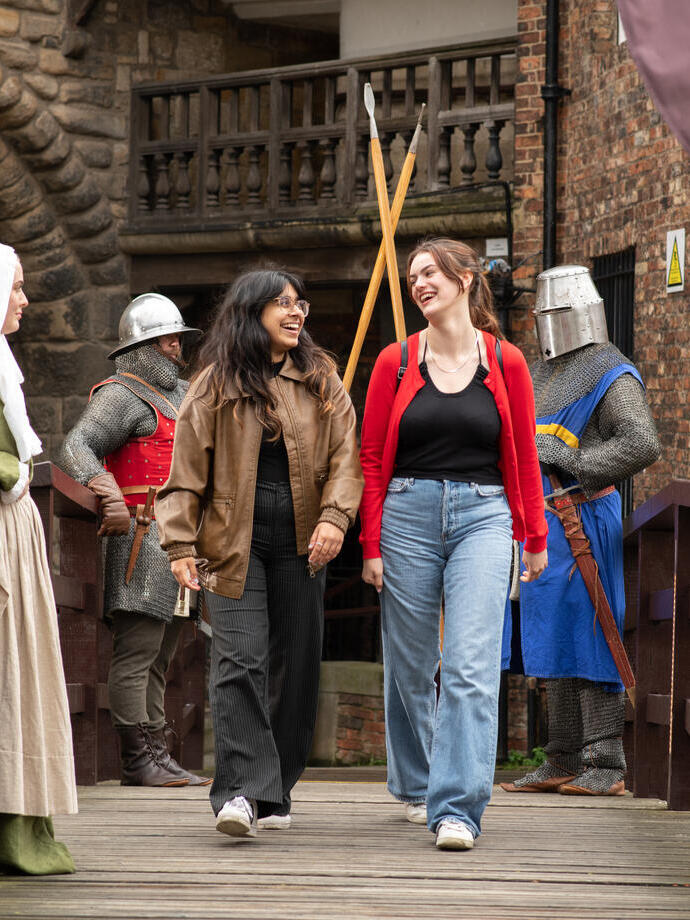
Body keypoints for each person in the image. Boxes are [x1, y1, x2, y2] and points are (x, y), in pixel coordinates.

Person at [156, 269, 363, 839]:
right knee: (239, 661)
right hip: (232, 537)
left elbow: (348, 459)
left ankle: (276, 786)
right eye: (282, 305)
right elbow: (185, 475)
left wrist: (334, 518)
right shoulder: (214, 383)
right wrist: (179, 544)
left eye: (300, 304)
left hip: (306, 537)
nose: (296, 314)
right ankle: (241, 792)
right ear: (252, 313)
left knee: (297, 666)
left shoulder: (322, 378)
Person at [359, 238, 548, 851]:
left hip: (484, 516)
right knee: (411, 665)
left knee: (470, 666)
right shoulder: (395, 361)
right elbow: (370, 460)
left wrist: (534, 535)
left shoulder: (506, 361)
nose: (418, 283)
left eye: (430, 272)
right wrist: (370, 542)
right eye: (413, 276)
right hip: (406, 515)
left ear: (465, 279)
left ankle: (458, 808)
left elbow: (522, 453)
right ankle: (416, 783)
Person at [500, 265, 661, 797]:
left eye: (556, 312)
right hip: (541, 522)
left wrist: (571, 457)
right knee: (552, 639)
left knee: (593, 633)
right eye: (542, 314)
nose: (549, 322)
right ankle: (562, 756)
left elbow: (641, 443)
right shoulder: (538, 374)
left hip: (585, 516)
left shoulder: (610, 369)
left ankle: (607, 761)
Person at [57, 294, 210, 788]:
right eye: (165, 340)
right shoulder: (121, 394)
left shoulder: (183, 395)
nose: (175, 348)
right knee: (137, 650)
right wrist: (107, 492)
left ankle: (157, 753)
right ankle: (135, 759)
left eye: (177, 339)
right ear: (140, 346)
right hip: (142, 537)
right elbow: (78, 446)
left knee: (163, 652)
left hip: (179, 540)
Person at [0, 243, 78, 875]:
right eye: (17, 287)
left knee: (17, 674)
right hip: (2, 523)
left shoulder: (5, 364)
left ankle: (19, 827)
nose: (25, 300)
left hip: (13, 529)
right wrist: (11, 473)